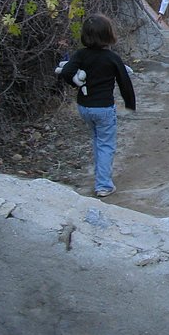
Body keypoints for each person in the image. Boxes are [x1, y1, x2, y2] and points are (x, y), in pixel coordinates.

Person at [57, 13, 136, 198]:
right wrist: (130, 103)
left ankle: (99, 173)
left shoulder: (80, 55)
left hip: (84, 107)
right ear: (109, 35)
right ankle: (104, 185)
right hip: (104, 109)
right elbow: (124, 81)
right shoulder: (112, 58)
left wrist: (75, 82)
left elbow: (67, 71)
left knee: (96, 139)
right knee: (106, 144)